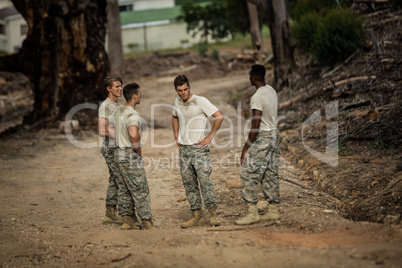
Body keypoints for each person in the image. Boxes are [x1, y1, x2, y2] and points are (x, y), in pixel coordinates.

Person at [172, 74, 224, 228]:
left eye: (185, 89)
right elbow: (174, 116)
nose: (183, 93)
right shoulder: (177, 102)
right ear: (176, 90)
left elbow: (219, 117)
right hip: (184, 150)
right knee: (189, 183)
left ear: (189, 87)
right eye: (180, 90)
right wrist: (176, 134)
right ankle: (197, 216)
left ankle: (213, 215)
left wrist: (209, 137)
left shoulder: (200, 101)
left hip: (198, 149)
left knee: (204, 181)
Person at [235, 64, 281, 226]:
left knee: (247, 173)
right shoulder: (271, 90)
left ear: (254, 77)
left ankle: (252, 212)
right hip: (275, 135)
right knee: (269, 171)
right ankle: (273, 210)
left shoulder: (257, 97)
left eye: (250, 75)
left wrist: (246, 147)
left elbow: (256, 123)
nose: (249, 78)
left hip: (264, 136)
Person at [109, 82, 155, 230]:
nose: (140, 95)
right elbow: (134, 134)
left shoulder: (118, 111)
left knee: (124, 188)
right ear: (135, 96)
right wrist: (138, 150)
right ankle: (147, 221)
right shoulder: (132, 114)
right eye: (139, 93)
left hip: (118, 153)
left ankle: (127, 220)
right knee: (140, 188)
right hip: (129, 154)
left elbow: (110, 128)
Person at [98, 75, 124, 225]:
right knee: (120, 178)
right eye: (116, 86)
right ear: (109, 89)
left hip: (118, 147)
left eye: (120, 85)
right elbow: (102, 131)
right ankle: (125, 214)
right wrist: (119, 136)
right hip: (110, 149)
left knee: (115, 178)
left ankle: (110, 213)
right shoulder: (106, 106)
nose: (120, 88)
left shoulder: (117, 104)